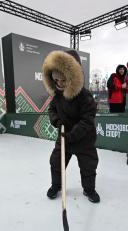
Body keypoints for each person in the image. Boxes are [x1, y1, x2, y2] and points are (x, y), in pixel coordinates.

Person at [42, 50, 100, 203]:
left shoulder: (85, 96)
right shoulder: (57, 96)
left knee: (88, 165)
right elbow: (51, 110)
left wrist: (71, 136)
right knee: (55, 162)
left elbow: (87, 120)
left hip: (83, 140)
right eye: (56, 80)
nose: (60, 83)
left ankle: (89, 189)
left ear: (73, 78)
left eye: (63, 80)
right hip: (63, 137)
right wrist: (56, 121)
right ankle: (56, 186)